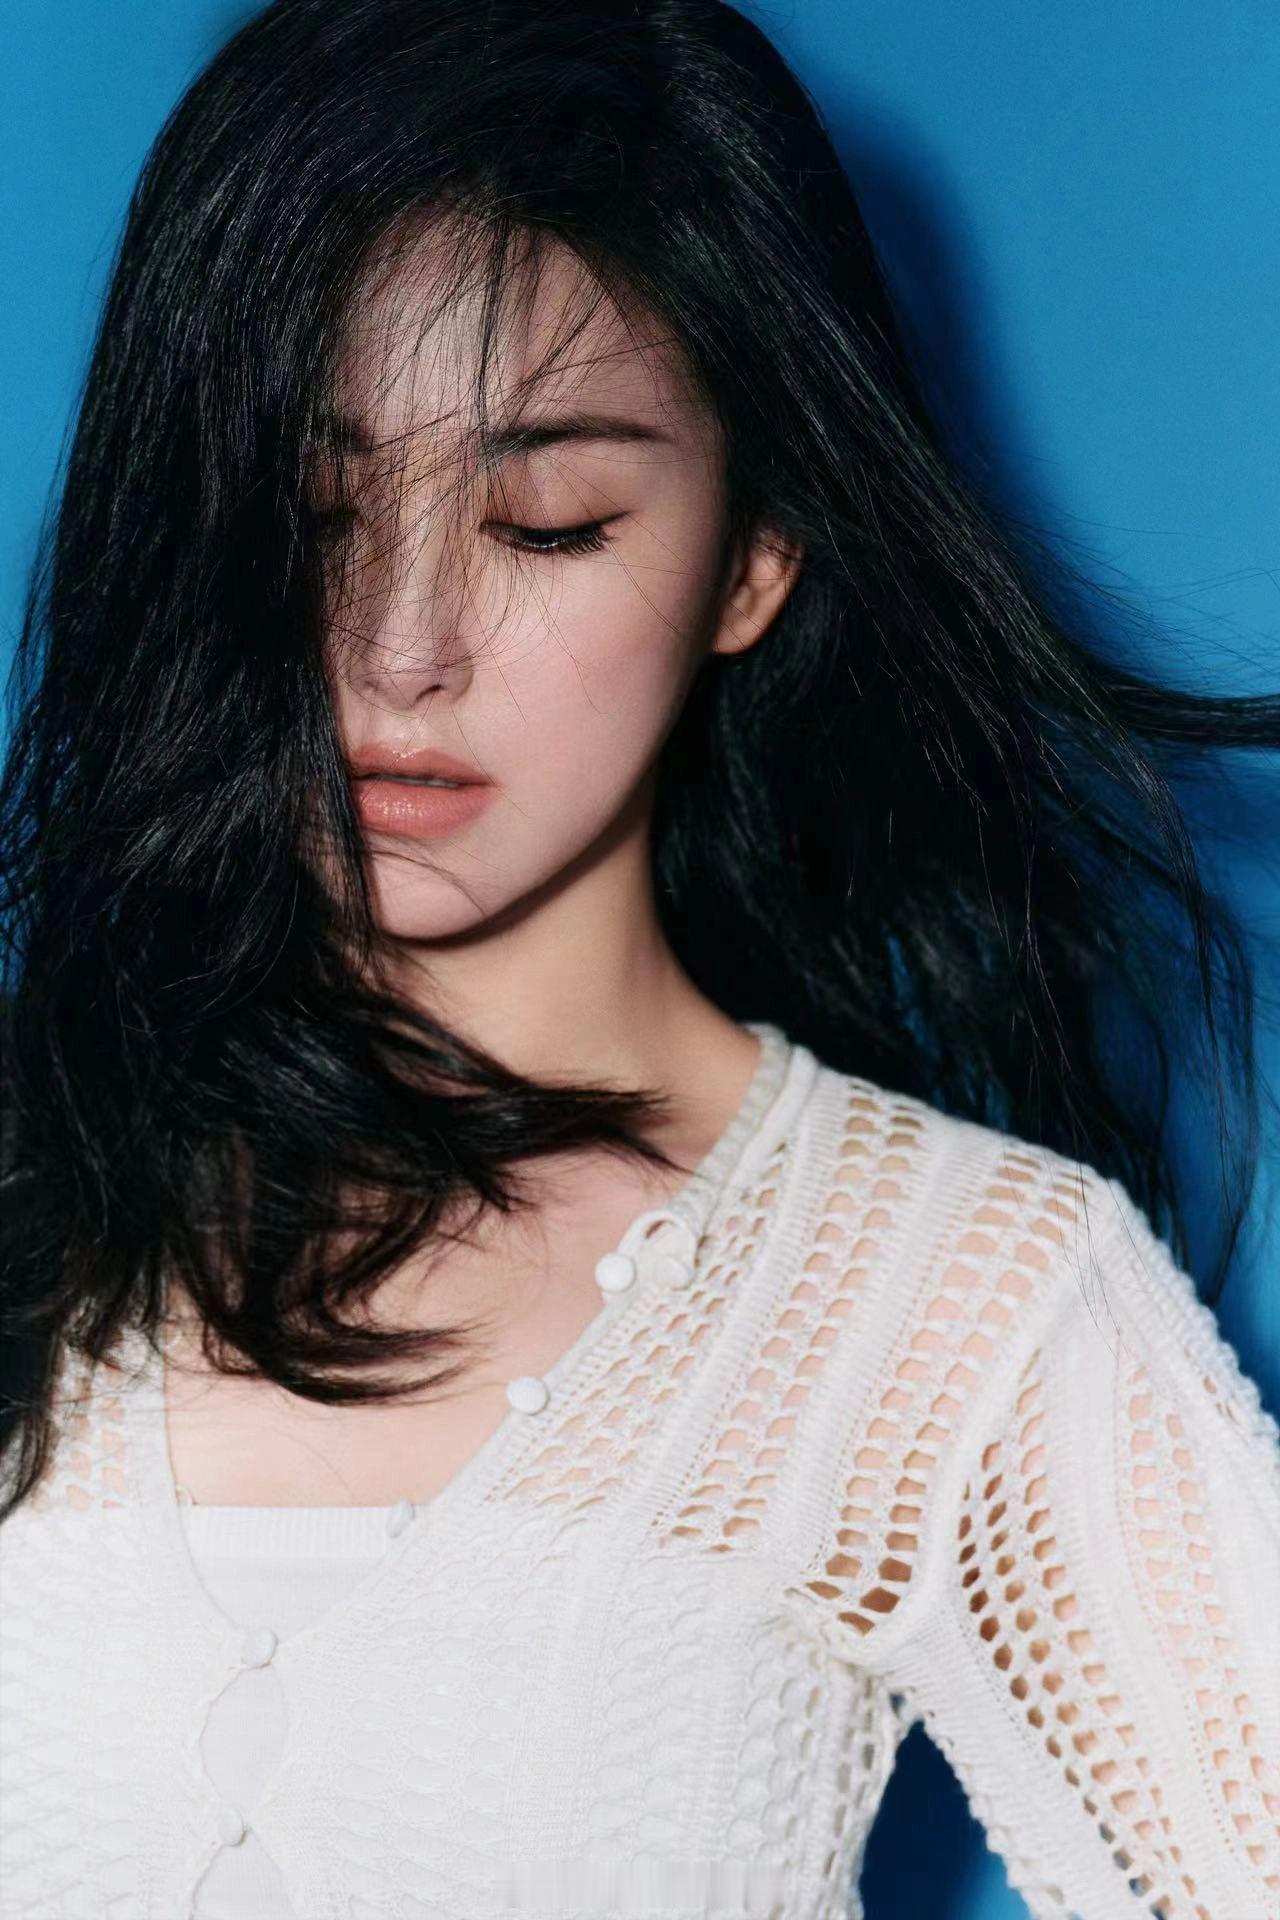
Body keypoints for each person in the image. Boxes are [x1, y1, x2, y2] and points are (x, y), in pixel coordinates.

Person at [1, 0, 1277, 1915]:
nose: (405, 648)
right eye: (315, 515)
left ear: (753, 555)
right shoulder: (35, 1176)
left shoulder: (947, 1295)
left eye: (546, 523)